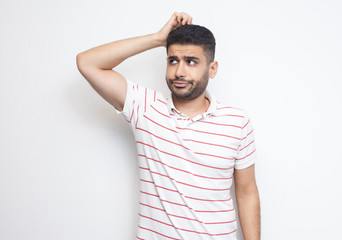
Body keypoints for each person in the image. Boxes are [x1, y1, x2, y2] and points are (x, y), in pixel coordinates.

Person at [77, 12, 260, 240]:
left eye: (191, 62)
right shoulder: (145, 108)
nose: (179, 72)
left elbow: (246, 193)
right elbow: (87, 62)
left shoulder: (237, 122)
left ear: (212, 69)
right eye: (173, 60)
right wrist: (156, 38)